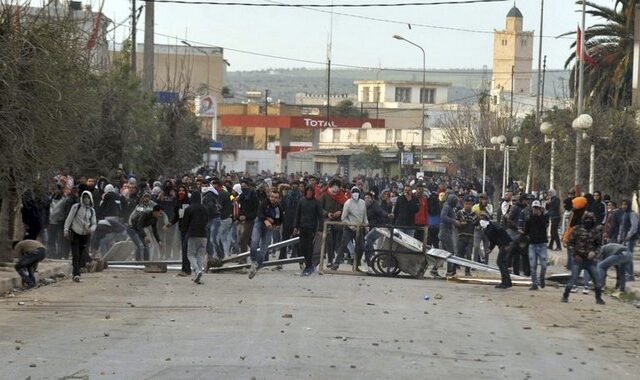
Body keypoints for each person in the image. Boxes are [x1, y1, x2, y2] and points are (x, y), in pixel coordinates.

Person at [562, 212, 605, 304]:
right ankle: (565, 296)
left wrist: (595, 253)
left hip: (591, 260)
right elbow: (570, 244)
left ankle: (598, 298)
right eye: (586, 219)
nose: (588, 221)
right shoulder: (577, 229)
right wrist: (575, 255)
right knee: (572, 280)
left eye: (590, 219)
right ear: (583, 220)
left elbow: (599, 245)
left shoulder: (596, 231)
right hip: (578, 259)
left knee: (597, 282)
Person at [332, 187, 368, 271]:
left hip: (359, 228)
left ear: (359, 193)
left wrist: (366, 226)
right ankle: (336, 263)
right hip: (349, 227)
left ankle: (357, 264)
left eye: (357, 192)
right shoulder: (348, 203)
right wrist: (351, 226)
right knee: (343, 245)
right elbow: (343, 218)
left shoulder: (363, 203)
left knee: (361, 247)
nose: (355, 193)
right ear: (351, 193)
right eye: (354, 192)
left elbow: (365, 216)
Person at [63, 191, 97, 282]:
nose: (86, 199)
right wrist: (66, 230)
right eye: (85, 197)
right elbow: (69, 219)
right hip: (75, 233)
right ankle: (76, 274)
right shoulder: (76, 207)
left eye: (88, 197)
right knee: (75, 254)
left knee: (82, 254)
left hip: (85, 235)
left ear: (90, 199)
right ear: (82, 198)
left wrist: (91, 229)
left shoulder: (92, 210)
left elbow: (94, 223)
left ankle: (79, 270)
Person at [249, 191, 283, 279]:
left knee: (264, 248)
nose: (273, 199)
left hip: (269, 228)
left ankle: (257, 266)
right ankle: (253, 261)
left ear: (278, 199)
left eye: (275, 197)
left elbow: (280, 220)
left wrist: (275, 223)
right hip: (259, 223)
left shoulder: (279, 208)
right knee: (254, 242)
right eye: (272, 197)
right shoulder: (264, 203)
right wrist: (266, 219)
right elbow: (260, 213)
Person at [293, 185, 324, 276]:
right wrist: (296, 226)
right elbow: (297, 214)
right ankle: (308, 264)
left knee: (309, 248)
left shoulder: (316, 202)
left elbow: (320, 217)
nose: (309, 193)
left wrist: (320, 229)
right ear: (306, 191)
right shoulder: (301, 201)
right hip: (302, 227)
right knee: (302, 247)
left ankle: (309, 266)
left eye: (311, 191)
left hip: (312, 228)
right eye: (308, 191)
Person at [181, 193, 209, 284]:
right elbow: (207, 221)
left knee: (190, 255)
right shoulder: (205, 208)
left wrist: (185, 233)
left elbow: (185, 223)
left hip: (192, 234)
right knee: (200, 255)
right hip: (204, 235)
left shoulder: (189, 209)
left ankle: (197, 271)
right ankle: (199, 275)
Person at [479, 214, 512, 289]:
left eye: (482, 219)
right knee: (502, 263)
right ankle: (508, 282)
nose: (481, 221)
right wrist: (490, 249)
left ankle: (505, 283)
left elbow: (502, 232)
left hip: (505, 244)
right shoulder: (487, 228)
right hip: (503, 245)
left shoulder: (492, 226)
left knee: (500, 262)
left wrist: (506, 244)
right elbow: (493, 240)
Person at [319, 179, 346, 267]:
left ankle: (338, 260)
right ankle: (330, 260)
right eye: (333, 185)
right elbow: (319, 208)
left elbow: (346, 207)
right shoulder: (324, 195)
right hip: (328, 222)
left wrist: (340, 212)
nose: (335, 188)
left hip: (339, 223)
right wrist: (327, 213)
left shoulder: (342, 196)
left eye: (337, 186)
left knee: (338, 242)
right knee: (329, 242)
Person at [449, 196, 477, 277]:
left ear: (472, 204)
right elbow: (455, 224)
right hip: (461, 236)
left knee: (468, 255)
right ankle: (453, 270)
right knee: (458, 254)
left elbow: (477, 224)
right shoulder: (459, 213)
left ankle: (467, 272)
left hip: (470, 236)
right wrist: (460, 224)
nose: (468, 205)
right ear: (464, 204)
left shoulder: (474, 214)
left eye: (469, 204)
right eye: (466, 204)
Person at [524, 200, 549, 290]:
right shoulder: (529, 219)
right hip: (532, 245)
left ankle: (542, 278)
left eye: (537, 208)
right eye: (534, 208)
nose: (535, 210)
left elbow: (545, 225)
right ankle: (534, 283)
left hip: (542, 244)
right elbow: (526, 231)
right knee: (533, 265)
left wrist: (540, 215)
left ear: (540, 209)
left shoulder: (544, 217)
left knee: (544, 265)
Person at [363, 191, 392, 267]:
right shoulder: (365, 206)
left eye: (368, 198)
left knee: (368, 238)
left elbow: (380, 211)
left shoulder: (374, 205)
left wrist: (387, 215)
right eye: (365, 198)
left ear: (372, 199)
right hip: (371, 227)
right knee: (368, 243)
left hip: (379, 227)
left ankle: (372, 255)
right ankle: (368, 260)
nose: (366, 199)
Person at [617, 199, 638, 281]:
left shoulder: (632, 214)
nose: (623, 206)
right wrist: (620, 236)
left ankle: (630, 275)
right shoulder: (624, 214)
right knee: (624, 256)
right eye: (622, 204)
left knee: (628, 256)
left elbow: (634, 226)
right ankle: (627, 274)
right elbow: (622, 226)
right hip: (624, 238)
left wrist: (629, 235)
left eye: (625, 204)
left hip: (631, 238)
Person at [471, 193, 492, 264]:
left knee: (487, 248)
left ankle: (486, 263)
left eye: (484, 199)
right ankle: (474, 263)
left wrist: (484, 210)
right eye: (480, 199)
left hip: (486, 230)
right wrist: (478, 218)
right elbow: (473, 218)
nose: (482, 200)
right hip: (478, 229)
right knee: (476, 247)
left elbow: (489, 216)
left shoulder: (489, 207)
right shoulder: (475, 207)